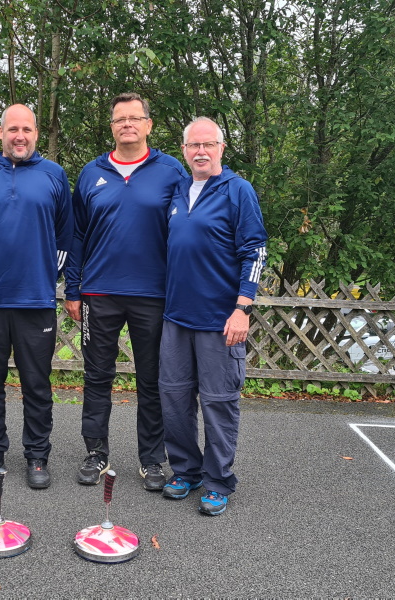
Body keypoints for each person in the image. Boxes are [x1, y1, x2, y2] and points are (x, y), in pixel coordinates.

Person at [64, 92, 188, 490]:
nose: (128, 124)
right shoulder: (91, 173)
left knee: (152, 379)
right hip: (99, 292)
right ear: (112, 126)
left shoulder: (171, 172)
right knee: (97, 376)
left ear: (149, 124)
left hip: (154, 294)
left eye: (136, 118)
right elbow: (76, 235)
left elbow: (187, 231)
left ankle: (152, 459)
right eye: (121, 119)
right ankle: (96, 452)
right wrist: (73, 288)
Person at [159, 116, 267, 515]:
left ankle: (218, 480)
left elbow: (255, 251)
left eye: (209, 144)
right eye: (193, 145)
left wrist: (242, 308)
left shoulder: (237, 191)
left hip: (220, 320)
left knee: (218, 402)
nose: (201, 151)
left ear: (222, 148)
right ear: (184, 150)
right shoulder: (177, 189)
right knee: (174, 399)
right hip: (176, 319)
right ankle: (186, 470)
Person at [0, 104, 73, 489]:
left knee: (36, 384)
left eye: (27, 129)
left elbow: (65, 237)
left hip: (36, 301)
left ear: (36, 133)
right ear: (1, 133)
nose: (19, 136)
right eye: (13, 129)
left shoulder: (54, 175)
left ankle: (37, 456)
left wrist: (45, 273)